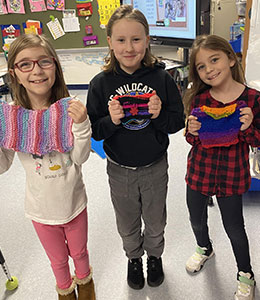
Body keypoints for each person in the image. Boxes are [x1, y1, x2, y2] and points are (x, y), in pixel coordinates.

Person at [86, 4, 185, 290]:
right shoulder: (100, 84)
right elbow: (93, 130)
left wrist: (158, 115)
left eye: (136, 39)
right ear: (110, 42)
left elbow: (176, 122)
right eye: (121, 40)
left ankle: (154, 256)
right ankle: (133, 258)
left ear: (147, 40)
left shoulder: (161, 79)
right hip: (120, 170)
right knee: (127, 222)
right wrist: (112, 120)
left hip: (155, 166)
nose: (129, 47)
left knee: (155, 221)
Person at [0, 34, 95, 300]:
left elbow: (80, 157)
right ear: (14, 74)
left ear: (55, 66)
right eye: (25, 64)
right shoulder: (11, 118)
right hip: (41, 212)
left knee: (80, 254)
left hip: (74, 205)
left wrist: (82, 124)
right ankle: (65, 294)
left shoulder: (70, 108)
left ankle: (87, 292)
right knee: (58, 264)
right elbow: (3, 165)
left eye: (44, 62)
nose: (37, 70)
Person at [183, 34, 260, 300]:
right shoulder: (199, 99)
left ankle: (245, 273)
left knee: (235, 228)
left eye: (214, 60)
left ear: (230, 58)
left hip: (231, 176)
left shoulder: (252, 99)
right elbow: (193, 139)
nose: (209, 69)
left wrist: (249, 128)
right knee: (195, 218)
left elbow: (259, 140)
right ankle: (204, 248)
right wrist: (190, 130)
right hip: (199, 172)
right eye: (201, 66)